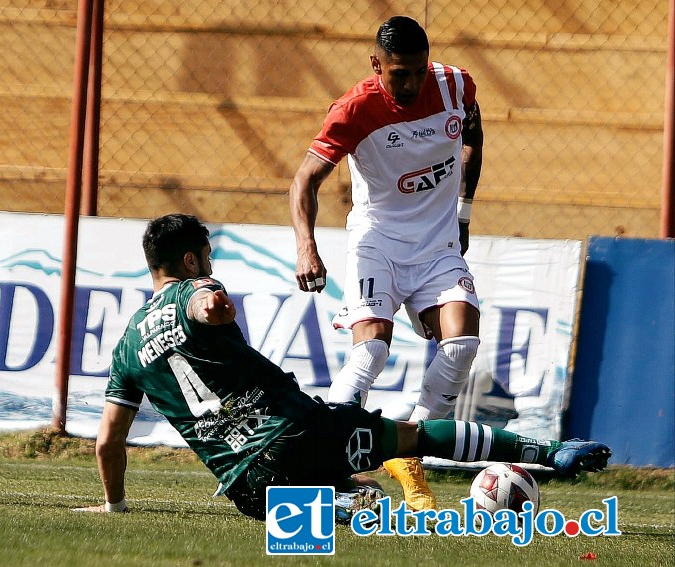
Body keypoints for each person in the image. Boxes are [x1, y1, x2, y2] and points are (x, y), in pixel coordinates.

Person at [74, 214, 611, 521]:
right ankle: (547, 453)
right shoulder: (197, 288)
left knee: (332, 495)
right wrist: (211, 302)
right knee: (414, 436)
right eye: (206, 256)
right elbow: (204, 301)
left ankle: (346, 500)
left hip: (249, 487)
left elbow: (107, 444)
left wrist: (115, 504)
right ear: (191, 261)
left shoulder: (125, 350)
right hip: (295, 431)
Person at [289, 16, 483, 511]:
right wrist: (306, 246)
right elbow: (304, 181)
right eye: (400, 74)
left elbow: (472, 136)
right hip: (377, 242)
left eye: (419, 71)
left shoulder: (457, 84)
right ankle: (327, 460)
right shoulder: (354, 109)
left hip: (437, 247)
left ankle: (408, 450)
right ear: (377, 64)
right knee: (371, 352)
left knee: (461, 345)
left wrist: (462, 212)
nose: (412, 84)